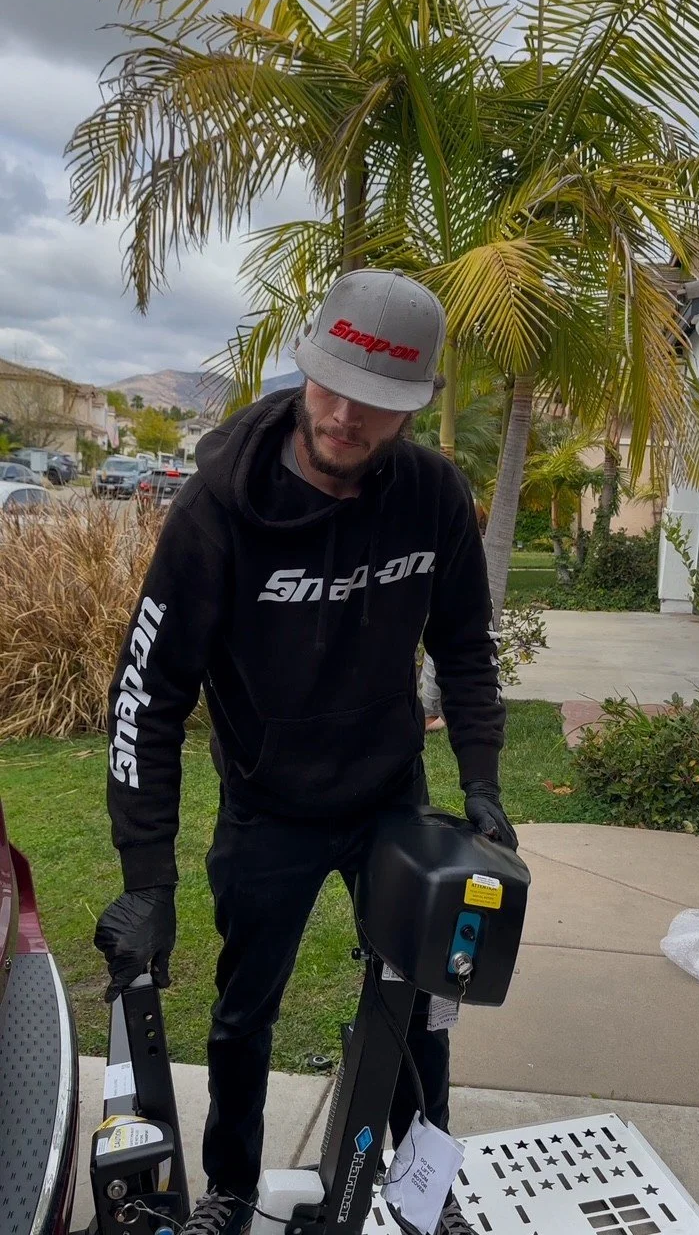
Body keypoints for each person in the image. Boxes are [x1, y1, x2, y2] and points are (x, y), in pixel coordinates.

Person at [94, 268, 516, 1235]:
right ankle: (232, 1191)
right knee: (244, 1015)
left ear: (412, 407)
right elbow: (148, 696)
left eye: (376, 405)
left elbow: (464, 648)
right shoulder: (217, 510)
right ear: (308, 362)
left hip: (388, 798)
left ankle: (422, 1186)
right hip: (268, 805)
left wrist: (483, 784)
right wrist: (145, 877)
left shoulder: (431, 496)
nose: (344, 418)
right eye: (331, 388)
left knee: (419, 1008)